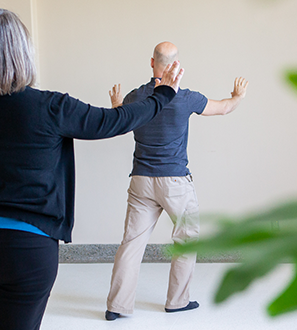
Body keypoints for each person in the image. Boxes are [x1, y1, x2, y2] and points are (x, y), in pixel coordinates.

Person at [0, 9, 184, 330]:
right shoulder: (51, 107)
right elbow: (115, 121)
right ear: (24, 54)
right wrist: (163, 92)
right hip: (28, 248)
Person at [105, 41, 249, 321]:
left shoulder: (136, 96)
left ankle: (116, 307)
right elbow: (223, 108)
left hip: (141, 181)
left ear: (152, 63)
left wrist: (115, 106)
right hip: (175, 183)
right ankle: (177, 301)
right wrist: (237, 96)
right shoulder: (186, 98)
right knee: (187, 239)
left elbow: (119, 119)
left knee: (131, 243)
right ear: (176, 65)